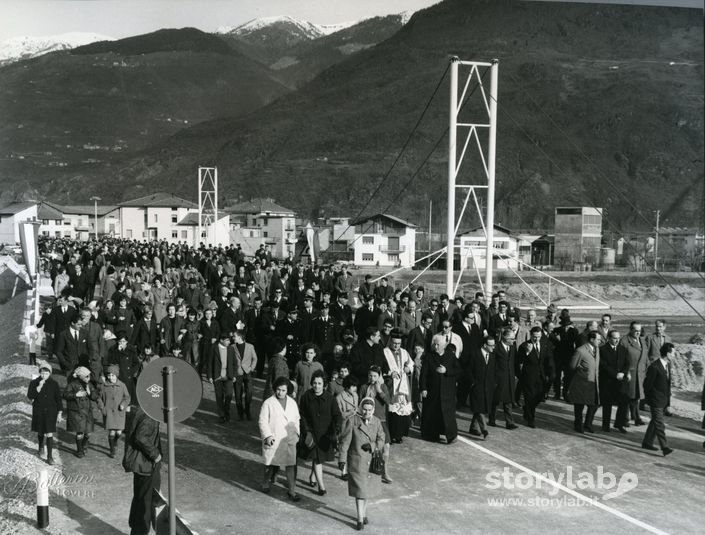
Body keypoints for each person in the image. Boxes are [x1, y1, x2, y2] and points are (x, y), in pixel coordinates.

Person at [338, 397, 386, 531]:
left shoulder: (376, 422)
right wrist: (342, 459)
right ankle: (359, 518)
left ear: (373, 410)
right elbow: (345, 442)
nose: (367, 413)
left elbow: (382, 438)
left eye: (370, 410)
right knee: (360, 491)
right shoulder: (352, 421)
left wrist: (372, 445)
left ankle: (364, 514)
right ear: (360, 408)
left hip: (372, 462)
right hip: (357, 461)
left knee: (367, 490)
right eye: (364, 409)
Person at [299, 370, 342, 496]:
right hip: (311, 433)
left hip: (325, 434)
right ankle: (321, 486)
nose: (316, 386)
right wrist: (306, 430)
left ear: (324, 385)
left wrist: (335, 429)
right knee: (317, 459)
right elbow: (302, 415)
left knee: (318, 458)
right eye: (314, 383)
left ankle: (313, 476)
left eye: (319, 383)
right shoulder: (306, 396)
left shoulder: (330, 399)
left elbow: (337, 415)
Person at [258, 376, 301, 500]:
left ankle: (292, 490)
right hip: (274, 438)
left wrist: (296, 434)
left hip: (289, 439)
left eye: (283, 390)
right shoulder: (268, 403)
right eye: (278, 390)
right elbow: (262, 421)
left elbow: (297, 419)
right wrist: (267, 435)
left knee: (291, 465)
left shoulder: (292, 403)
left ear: (287, 390)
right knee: (270, 463)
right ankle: (266, 482)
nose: (280, 392)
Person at [124, 404, 162, 535]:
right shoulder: (150, 415)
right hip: (146, 465)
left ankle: (136, 530)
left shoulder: (145, 410)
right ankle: (139, 531)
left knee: (140, 500)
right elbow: (141, 437)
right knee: (146, 505)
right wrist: (155, 454)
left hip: (141, 465)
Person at [420, 336, 460, 444]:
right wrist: (423, 388)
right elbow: (423, 374)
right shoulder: (429, 357)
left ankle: (451, 436)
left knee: (448, 415)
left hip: (447, 392)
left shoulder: (450, 356)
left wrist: (446, 371)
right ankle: (432, 435)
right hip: (433, 391)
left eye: (438, 344)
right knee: (433, 413)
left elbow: (458, 370)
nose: (436, 346)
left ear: (444, 345)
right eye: (434, 344)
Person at [642, 343, 675, 456]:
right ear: (667, 353)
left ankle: (647, 442)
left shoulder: (667, 365)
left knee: (655, 422)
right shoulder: (654, 367)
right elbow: (647, 385)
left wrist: (668, 404)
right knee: (660, 424)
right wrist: (648, 401)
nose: (674, 355)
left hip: (663, 400)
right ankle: (665, 447)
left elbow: (668, 386)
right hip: (655, 400)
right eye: (673, 353)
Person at [27, 361, 63, 465]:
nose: (44, 375)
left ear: (50, 373)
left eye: (46, 373)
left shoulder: (54, 384)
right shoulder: (34, 383)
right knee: (40, 431)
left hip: (51, 412)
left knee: (49, 433)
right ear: (39, 373)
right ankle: (40, 447)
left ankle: (50, 457)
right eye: (42, 373)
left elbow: (58, 400)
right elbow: (30, 396)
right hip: (39, 411)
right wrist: (39, 386)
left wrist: (59, 413)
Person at [517, 327, 552, 428]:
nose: (537, 339)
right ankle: (530, 419)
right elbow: (519, 360)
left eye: (539, 337)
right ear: (531, 335)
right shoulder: (524, 346)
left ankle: (526, 408)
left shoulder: (544, 345)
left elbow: (547, 360)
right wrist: (527, 353)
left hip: (541, 376)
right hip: (529, 377)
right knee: (529, 398)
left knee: (540, 396)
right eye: (535, 337)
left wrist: (550, 373)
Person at [382, 331, 414, 444]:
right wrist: (390, 373)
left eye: (399, 343)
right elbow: (382, 367)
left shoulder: (404, 352)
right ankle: (391, 435)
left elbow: (411, 363)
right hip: (391, 385)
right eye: (394, 343)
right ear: (390, 341)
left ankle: (399, 434)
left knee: (402, 409)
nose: (396, 346)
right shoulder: (385, 352)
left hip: (403, 385)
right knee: (392, 410)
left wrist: (408, 368)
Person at [567, 331, 601, 433]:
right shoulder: (580, 351)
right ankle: (578, 425)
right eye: (598, 339)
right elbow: (572, 366)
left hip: (593, 383)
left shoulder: (597, 349)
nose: (600, 341)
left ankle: (588, 424)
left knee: (594, 404)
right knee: (579, 405)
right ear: (591, 339)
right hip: (581, 383)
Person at [63, 366, 99, 458]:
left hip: (87, 412)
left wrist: (90, 393)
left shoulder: (89, 385)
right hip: (77, 412)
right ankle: (79, 450)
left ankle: (84, 445)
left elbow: (95, 397)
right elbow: (65, 395)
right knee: (80, 432)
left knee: (88, 432)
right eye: (86, 376)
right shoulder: (72, 384)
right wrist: (75, 395)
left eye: (89, 376)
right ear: (80, 376)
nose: (88, 378)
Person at [599, 330, 631, 433]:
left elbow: (627, 363)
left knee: (623, 403)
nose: (616, 340)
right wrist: (615, 374)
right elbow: (603, 365)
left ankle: (619, 424)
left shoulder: (623, 349)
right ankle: (605, 425)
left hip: (621, 381)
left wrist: (623, 373)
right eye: (614, 338)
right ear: (608, 338)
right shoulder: (602, 349)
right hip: (608, 381)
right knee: (607, 404)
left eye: (618, 338)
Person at [467, 337, 497, 439]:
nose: (493, 347)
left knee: (481, 408)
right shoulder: (475, 354)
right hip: (477, 386)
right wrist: (472, 382)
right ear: (485, 345)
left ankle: (473, 428)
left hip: (488, 387)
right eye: (491, 345)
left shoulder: (492, 356)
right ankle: (485, 430)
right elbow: (468, 370)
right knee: (479, 408)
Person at [101, 364, 131, 458]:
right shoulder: (104, 386)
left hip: (119, 412)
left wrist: (123, 404)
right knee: (112, 432)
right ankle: (112, 450)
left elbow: (127, 397)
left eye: (113, 375)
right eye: (109, 375)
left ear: (116, 375)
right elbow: (99, 398)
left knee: (119, 432)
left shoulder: (122, 385)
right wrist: (103, 408)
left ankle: (115, 441)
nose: (110, 377)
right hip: (109, 412)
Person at [491, 328, 518, 430]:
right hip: (498, 378)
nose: (513, 340)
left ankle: (509, 422)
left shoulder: (512, 348)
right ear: (505, 338)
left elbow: (514, 362)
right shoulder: (496, 348)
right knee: (496, 400)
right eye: (512, 339)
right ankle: (492, 418)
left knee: (508, 401)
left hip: (510, 378)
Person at [335, 375, 360, 481]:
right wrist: (351, 412)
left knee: (354, 446)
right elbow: (339, 414)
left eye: (355, 386)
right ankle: (343, 470)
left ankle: (352, 468)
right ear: (347, 386)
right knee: (344, 446)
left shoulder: (355, 395)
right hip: (346, 424)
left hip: (356, 423)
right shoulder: (339, 397)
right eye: (353, 386)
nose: (355, 388)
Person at [232, 329, 257, 420]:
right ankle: (240, 414)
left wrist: (251, 368)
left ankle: (247, 410)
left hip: (247, 373)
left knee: (249, 393)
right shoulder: (232, 347)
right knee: (238, 395)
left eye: (234, 336)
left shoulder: (250, 346)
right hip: (237, 373)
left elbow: (255, 358)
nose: (233, 338)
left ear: (240, 337)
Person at [213, 332, 236, 423]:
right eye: (227, 340)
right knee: (219, 397)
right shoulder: (214, 348)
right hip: (218, 377)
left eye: (229, 340)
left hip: (229, 376)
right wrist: (210, 376)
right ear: (221, 340)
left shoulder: (231, 349)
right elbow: (210, 362)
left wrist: (234, 375)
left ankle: (226, 412)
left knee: (229, 395)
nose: (229, 342)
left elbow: (234, 363)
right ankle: (222, 415)